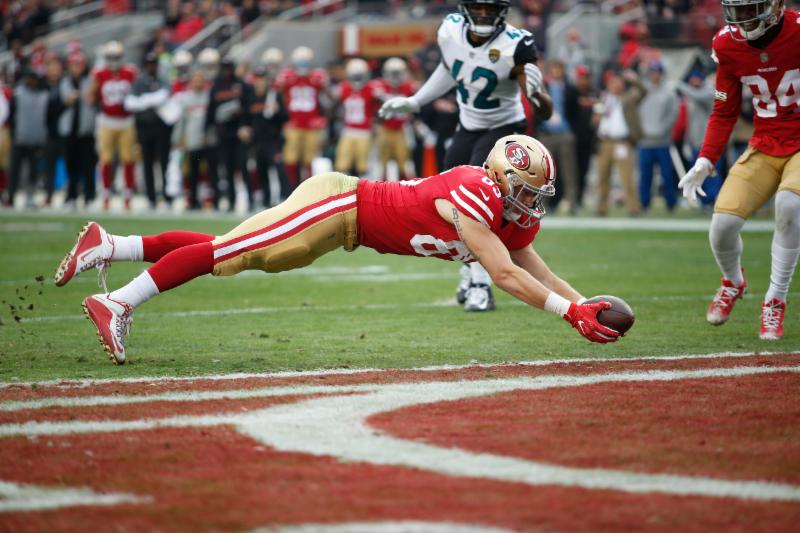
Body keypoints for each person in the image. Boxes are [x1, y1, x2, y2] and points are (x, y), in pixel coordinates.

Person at [54, 134, 620, 364]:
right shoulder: (475, 188)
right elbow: (504, 274)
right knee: (231, 255)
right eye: (525, 191)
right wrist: (566, 312)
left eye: (535, 195)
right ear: (499, 178)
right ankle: (119, 302)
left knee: (238, 251)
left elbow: (534, 267)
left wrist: (581, 304)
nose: (529, 203)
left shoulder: (502, 212)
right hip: (339, 203)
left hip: (348, 230)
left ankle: (111, 245)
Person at [378, 0, 553, 313]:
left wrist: (537, 94)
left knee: (476, 205)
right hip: (468, 126)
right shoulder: (451, 29)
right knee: (452, 202)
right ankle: (470, 272)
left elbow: (545, 110)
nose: (484, 14)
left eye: (491, 8)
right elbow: (451, 69)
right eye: (478, 7)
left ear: (503, 11)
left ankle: (480, 284)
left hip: (503, 130)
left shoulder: (517, 43)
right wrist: (417, 101)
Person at [678, 0, 800, 340]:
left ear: (775, 6)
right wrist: (705, 160)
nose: (743, 18)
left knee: (789, 205)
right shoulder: (727, 44)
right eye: (738, 10)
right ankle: (733, 281)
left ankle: (775, 300)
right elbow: (724, 111)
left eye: (751, 9)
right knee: (723, 225)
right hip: (764, 143)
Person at [88, 40, 138, 210]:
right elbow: (90, 97)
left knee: (128, 159)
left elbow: (137, 92)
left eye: (116, 57)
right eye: (111, 57)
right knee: (106, 159)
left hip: (126, 120)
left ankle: (128, 195)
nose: (114, 60)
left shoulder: (130, 72)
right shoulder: (99, 74)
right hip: (107, 120)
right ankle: (105, 194)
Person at [276, 46, 330, 188]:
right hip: (293, 123)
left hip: (311, 124)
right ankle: (292, 187)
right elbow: (277, 95)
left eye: (305, 62)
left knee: (309, 159)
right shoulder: (287, 76)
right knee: (290, 158)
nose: (303, 66)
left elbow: (328, 98)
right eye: (300, 62)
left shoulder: (317, 76)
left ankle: (308, 189)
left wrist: (322, 117)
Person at [594, 69, 645, 217]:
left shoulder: (628, 98)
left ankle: (633, 208)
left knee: (627, 177)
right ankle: (601, 208)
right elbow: (596, 119)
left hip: (622, 142)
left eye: (618, 83)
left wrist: (634, 79)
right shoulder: (603, 99)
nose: (615, 85)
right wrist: (595, 119)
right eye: (612, 83)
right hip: (605, 142)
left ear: (623, 85)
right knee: (602, 176)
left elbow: (643, 92)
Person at [126, 52, 172, 210]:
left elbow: (163, 97)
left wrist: (144, 100)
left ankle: (166, 196)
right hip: (144, 127)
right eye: (149, 64)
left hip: (161, 127)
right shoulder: (139, 81)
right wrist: (150, 100)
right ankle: (151, 197)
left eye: (154, 64)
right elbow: (130, 103)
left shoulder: (162, 79)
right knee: (147, 162)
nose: (152, 67)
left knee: (164, 162)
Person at [637, 60, 679, 212]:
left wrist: (663, 128)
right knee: (645, 174)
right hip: (645, 140)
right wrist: (640, 130)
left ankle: (671, 203)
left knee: (667, 174)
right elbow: (635, 112)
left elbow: (673, 113)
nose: (655, 75)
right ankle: (644, 203)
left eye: (658, 72)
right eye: (653, 72)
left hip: (663, 140)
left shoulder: (668, 92)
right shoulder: (642, 91)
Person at [59, 51, 97, 210]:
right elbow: (63, 101)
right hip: (69, 130)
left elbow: (93, 100)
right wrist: (70, 99)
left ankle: (89, 197)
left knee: (88, 166)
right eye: (74, 65)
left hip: (86, 131)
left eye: (79, 65)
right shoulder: (65, 82)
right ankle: (71, 196)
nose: (77, 68)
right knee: (71, 166)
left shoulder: (90, 81)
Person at [333, 58, 382, 177]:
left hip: (364, 132)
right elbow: (334, 108)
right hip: (348, 130)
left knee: (363, 166)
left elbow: (380, 108)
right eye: (355, 76)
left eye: (360, 76)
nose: (357, 80)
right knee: (342, 166)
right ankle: (345, 188)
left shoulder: (371, 89)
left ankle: (363, 187)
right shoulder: (344, 88)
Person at [377, 57, 417, 181]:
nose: (395, 77)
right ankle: (382, 185)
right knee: (383, 160)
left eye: (397, 73)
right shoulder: (379, 86)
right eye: (392, 73)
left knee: (403, 159)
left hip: (402, 128)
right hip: (385, 127)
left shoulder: (409, 86)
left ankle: (404, 184)